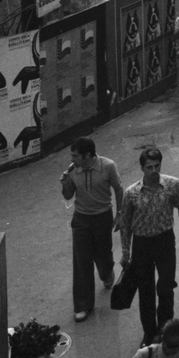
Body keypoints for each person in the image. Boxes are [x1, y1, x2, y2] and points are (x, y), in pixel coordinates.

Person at [118, 146, 179, 346]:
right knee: (146, 291)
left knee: (165, 287)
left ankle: (165, 330)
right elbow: (125, 224)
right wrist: (125, 251)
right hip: (142, 245)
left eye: (157, 166)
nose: (154, 171)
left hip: (165, 241)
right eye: (149, 167)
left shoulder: (172, 185)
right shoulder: (131, 193)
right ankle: (149, 333)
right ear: (142, 168)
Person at [60, 137, 121, 322]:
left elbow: (118, 189)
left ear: (88, 155)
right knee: (81, 261)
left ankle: (106, 271)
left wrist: (120, 214)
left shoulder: (108, 166)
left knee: (103, 255)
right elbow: (68, 196)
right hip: (81, 218)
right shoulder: (72, 171)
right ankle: (83, 305)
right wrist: (65, 185)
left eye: (75, 156)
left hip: (102, 216)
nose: (72, 160)